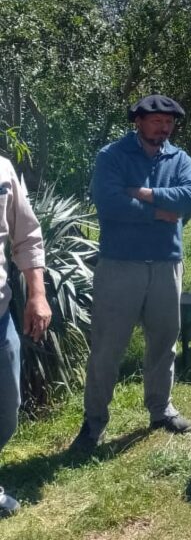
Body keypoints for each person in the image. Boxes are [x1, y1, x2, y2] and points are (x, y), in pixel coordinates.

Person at [72, 94, 191, 451]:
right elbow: (109, 202)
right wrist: (159, 211)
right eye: (157, 120)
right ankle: (94, 421)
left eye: (169, 122)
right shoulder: (112, 156)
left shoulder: (180, 158)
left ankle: (160, 409)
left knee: (163, 341)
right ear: (139, 121)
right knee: (107, 346)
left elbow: (190, 198)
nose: (164, 127)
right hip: (120, 265)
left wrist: (142, 193)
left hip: (166, 263)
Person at [0, 156, 51, 517]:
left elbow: (27, 235)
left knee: (6, 410)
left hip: (0, 316)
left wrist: (37, 293)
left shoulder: (2, 168)